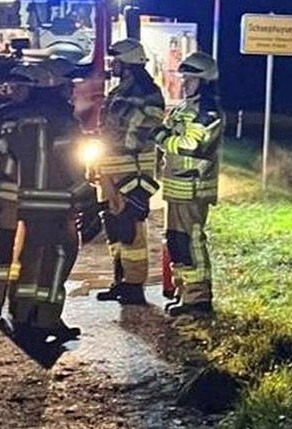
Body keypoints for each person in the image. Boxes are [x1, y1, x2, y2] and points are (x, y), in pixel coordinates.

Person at [0, 61, 93, 341]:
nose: (72, 91)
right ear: (54, 86)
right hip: (56, 201)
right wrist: (87, 197)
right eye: (68, 86)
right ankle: (47, 320)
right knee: (57, 259)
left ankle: (22, 315)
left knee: (27, 259)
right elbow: (69, 164)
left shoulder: (14, 118)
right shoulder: (62, 120)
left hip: (26, 201)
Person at [92, 38, 164, 306]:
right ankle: (119, 280)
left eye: (117, 60)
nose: (113, 64)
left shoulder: (148, 91)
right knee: (114, 227)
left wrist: (125, 140)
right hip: (111, 166)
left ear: (129, 62)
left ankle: (134, 286)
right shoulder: (120, 89)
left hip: (131, 170)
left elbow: (149, 122)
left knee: (131, 228)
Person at [154, 51, 224, 315]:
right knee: (177, 241)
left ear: (205, 81)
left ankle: (199, 299)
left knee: (191, 240)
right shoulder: (187, 108)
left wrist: (161, 137)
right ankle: (185, 292)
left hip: (193, 188)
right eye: (184, 78)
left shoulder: (207, 112)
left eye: (191, 79)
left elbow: (190, 145)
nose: (185, 83)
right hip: (177, 187)